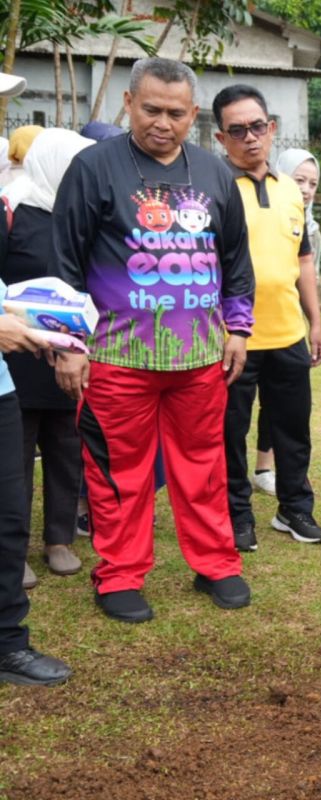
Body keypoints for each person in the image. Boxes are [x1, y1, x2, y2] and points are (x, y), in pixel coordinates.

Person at [52, 57, 254, 623]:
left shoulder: (215, 173)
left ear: (193, 114)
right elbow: (64, 263)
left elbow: (235, 259)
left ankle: (217, 564)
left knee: (204, 463)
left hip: (200, 356)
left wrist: (237, 328)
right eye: (150, 110)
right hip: (117, 355)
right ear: (127, 104)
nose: (162, 123)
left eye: (175, 113)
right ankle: (119, 573)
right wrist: (69, 344)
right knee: (120, 471)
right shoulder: (93, 168)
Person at [213, 84, 321, 552]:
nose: (250, 138)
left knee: (293, 428)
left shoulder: (290, 193)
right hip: (231, 338)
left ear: (271, 128)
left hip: (287, 334)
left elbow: (302, 261)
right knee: (229, 433)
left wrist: (315, 322)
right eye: (237, 130)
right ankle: (237, 513)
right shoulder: (214, 190)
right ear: (222, 139)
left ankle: (295, 508)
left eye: (257, 127)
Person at [0, 69, 71, 686]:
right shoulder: (12, 210)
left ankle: (8, 640)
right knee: (12, 479)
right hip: (9, 362)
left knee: (19, 495)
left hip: (28, 368)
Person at [0, 129, 93, 584]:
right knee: (13, 460)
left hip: (69, 357)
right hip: (16, 356)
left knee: (65, 449)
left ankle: (59, 539)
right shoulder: (14, 212)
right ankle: (12, 554)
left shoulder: (82, 217)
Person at [248, 148, 321, 499]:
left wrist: (315, 322)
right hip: (243, 331)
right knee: (234, 418)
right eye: (300, 180)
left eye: (313, 183)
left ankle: (284, 489)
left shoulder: (312, 229)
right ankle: (239, 491)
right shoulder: (248, 203)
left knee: (288, 413)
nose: (306, 189)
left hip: (288, 328)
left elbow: (306, 269)